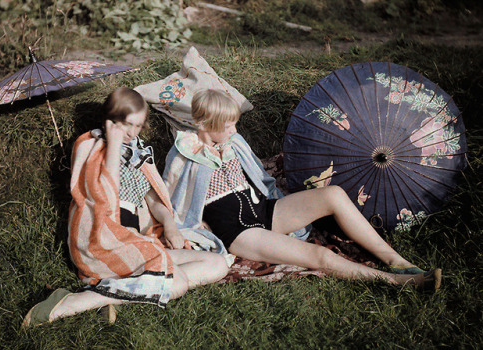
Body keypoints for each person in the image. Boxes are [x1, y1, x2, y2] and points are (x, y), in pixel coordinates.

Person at [163, 89, 442, 290]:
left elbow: (257, 175)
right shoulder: (183, 154)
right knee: (319, 256)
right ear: (205, 125)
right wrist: (182, 227)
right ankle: (398, 283)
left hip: (263, 209)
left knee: (333, 194)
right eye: (227, 126)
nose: (234, 131)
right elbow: (166, 196)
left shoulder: (233, 143)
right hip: (239, 232)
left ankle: (396, 260)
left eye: (235, 123)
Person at [22, 88, 228, 328]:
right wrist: (114, 144)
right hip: (105, 241)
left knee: (218, 265)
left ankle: (113, 292)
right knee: (177, 284)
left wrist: (170, 226)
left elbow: (152, 200)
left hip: (139, 241)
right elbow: (103, 194)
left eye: (138, 126)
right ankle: (75, 303)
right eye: (127, 125)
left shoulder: (137, 154)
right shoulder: (91, 146)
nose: (132, 132)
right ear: (111, 121)